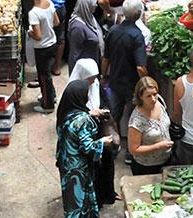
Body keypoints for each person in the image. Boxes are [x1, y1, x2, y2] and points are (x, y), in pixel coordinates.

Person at [56, 80, 113, 218]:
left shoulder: (65, 114)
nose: (88, 96)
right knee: (83, 199)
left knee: (71, 198)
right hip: (80, 167)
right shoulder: (83, 121)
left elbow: (72, 132)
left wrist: (90, 114)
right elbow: (88, 147)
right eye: (86, 93)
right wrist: (103, 141)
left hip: (66, 163)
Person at [67, 58, 120, 207]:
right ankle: (96, 199)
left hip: (100, 129)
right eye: (89, 79)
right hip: (87, 135)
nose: (92, 82)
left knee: (108, 160)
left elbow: (104, 101)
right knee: (93, 166)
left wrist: (104, 112)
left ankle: (109, 193)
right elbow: (73, 115)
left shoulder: (95, 84)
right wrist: (90, 114)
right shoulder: (74, 90)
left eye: (94, 78)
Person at [101, 0, 148, 164]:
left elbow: (106, 58)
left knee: (114, 114)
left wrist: (103, 76)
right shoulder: (137, 36)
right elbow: (141, 67)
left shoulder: (113, 31)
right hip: (131, 85)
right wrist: (148, 83)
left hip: (115, 82)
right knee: (134, 118)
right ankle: (130, 152)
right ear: (138, 15)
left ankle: (112, 146)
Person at [128, 77, 173, 175]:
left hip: (167, 161)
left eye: (155, 94)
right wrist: (158, 146)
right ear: (140, 97)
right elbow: (133, 149)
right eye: (148, 96)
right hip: (146, 167)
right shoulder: (137, 120)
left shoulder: (159, 102)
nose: (153, 99)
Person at [28, 0, 60, 113]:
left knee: (43, 76)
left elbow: (38, 36)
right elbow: (56, 22)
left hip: (42, 48)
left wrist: (30, 33)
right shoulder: (50, 4)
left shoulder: (33, 13)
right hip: (52, 43)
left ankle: (48, 105)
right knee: (47, 74)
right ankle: (52, 96)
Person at [67, 0, 105, 74]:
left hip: (93, 66)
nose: (96, 5)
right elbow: (74, 55)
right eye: (94, 4)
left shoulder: (90, 18)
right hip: (84, 72)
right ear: (86, 6)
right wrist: (74, 79)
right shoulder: (77, 28)